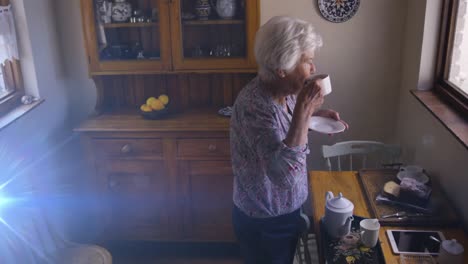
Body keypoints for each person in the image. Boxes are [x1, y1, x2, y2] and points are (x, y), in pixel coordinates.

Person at [230, 16, 348, 264]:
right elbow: (283, 176)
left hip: (287, 211)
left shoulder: (287, 91)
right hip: (266, 220)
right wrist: (304, 112)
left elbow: (286, 131)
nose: (313, 69)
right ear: (281, 68)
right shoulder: (254, 105)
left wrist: (313, 117)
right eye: (308, 61)